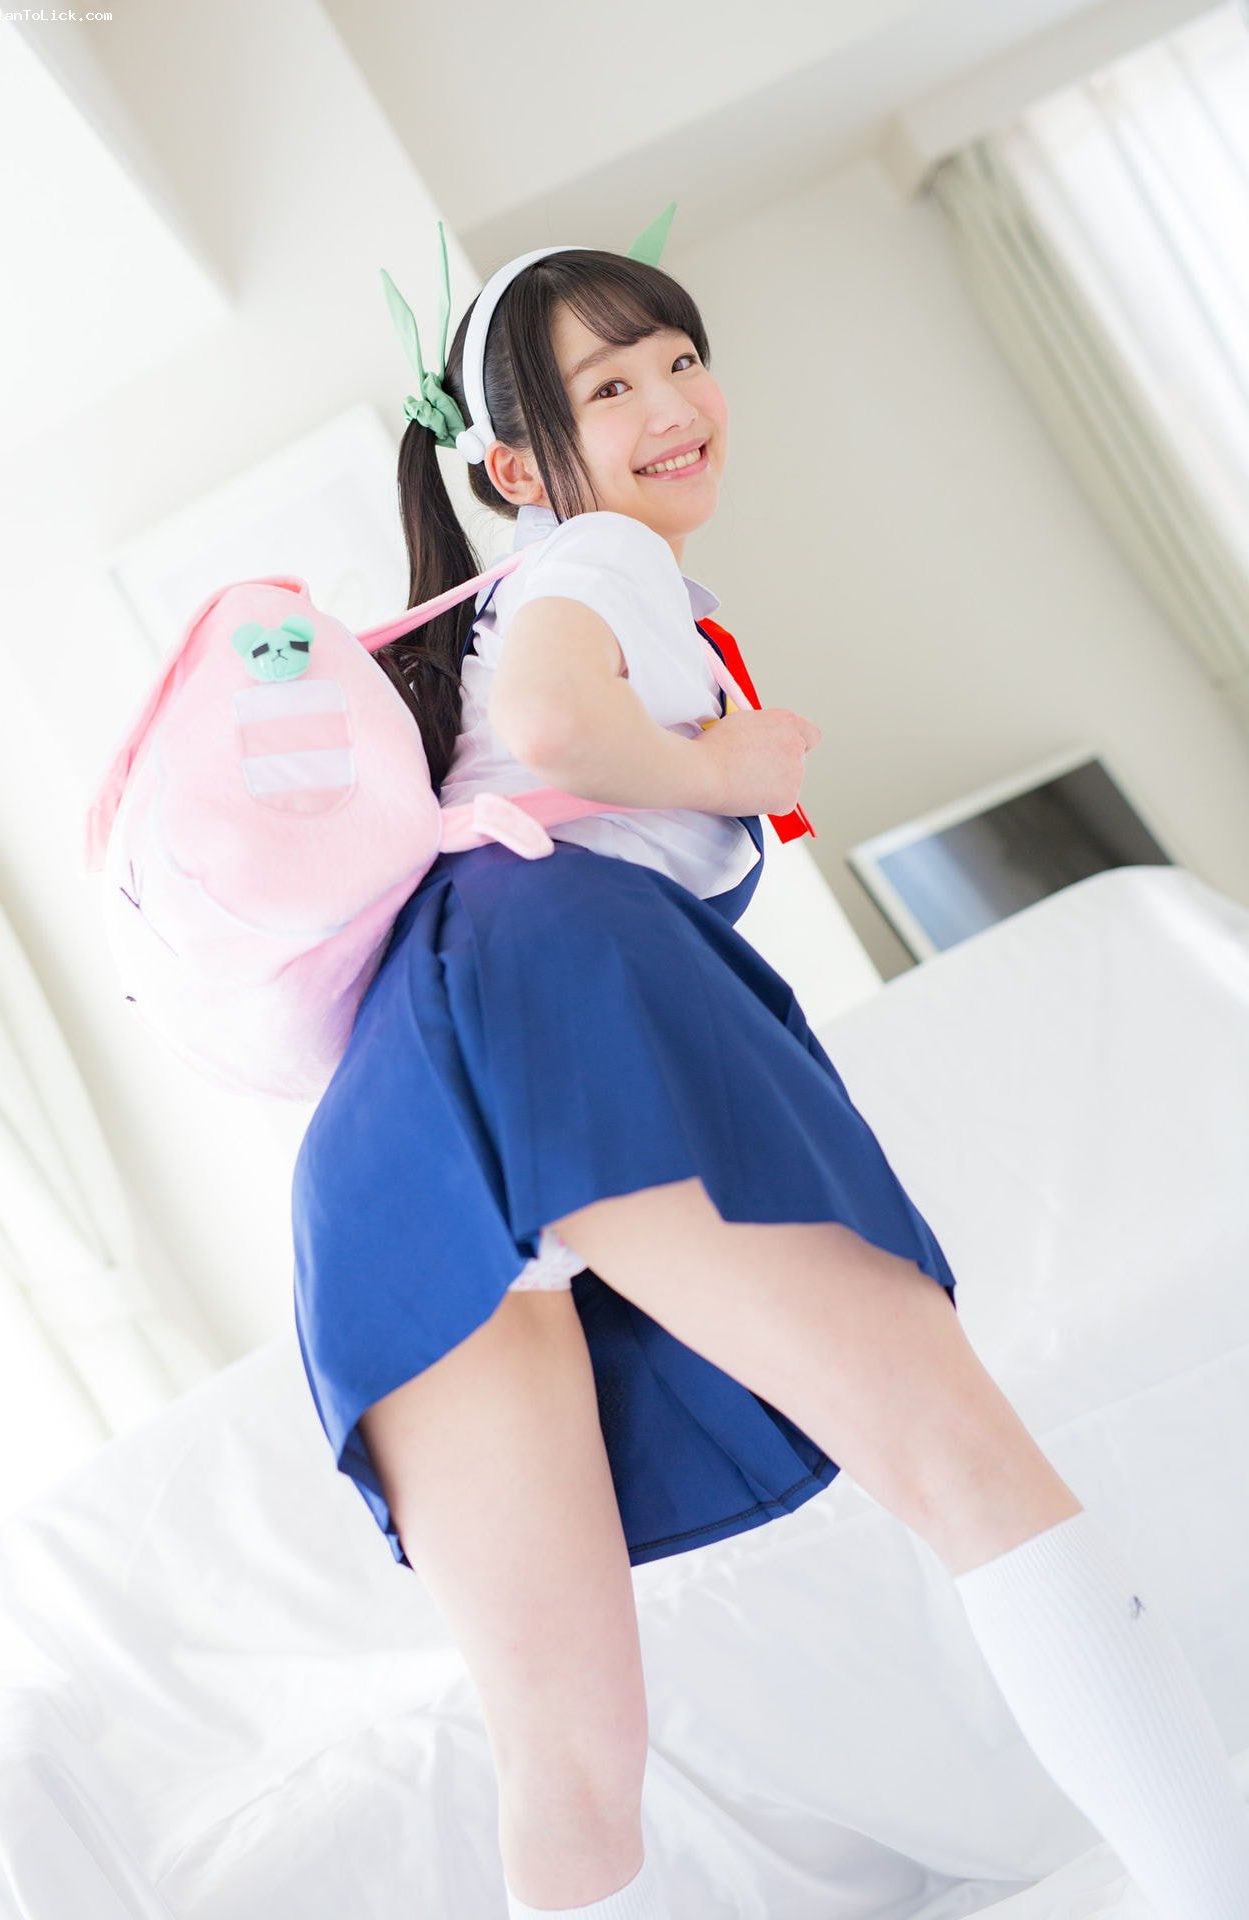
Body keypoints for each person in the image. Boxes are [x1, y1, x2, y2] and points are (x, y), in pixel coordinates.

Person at [291, 213, 1249, 1919]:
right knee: (973, 1476)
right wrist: (727, 763)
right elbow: (567, 727)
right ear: (516, 466)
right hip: (552, 990)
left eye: (681, 357)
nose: (673, 401)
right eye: (610, 384)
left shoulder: (509, 607)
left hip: (381, 1135)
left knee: (568, 1772)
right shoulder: (597, 562)